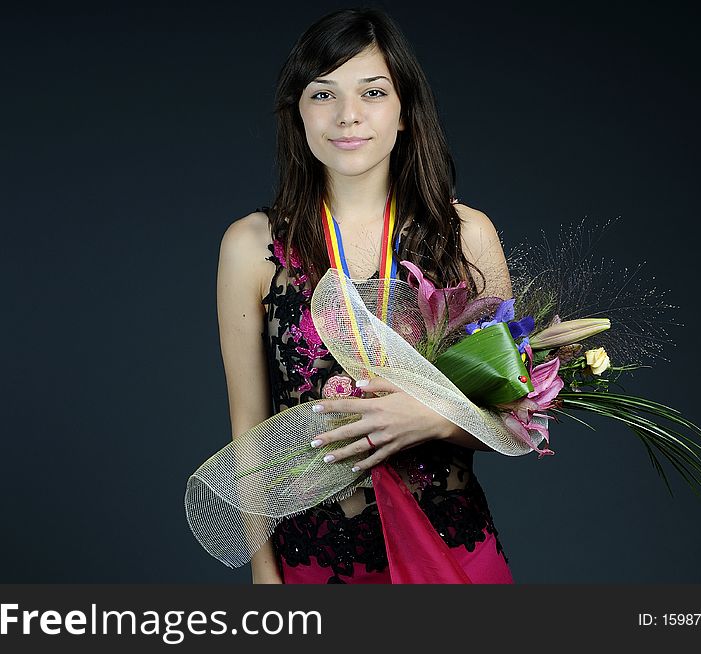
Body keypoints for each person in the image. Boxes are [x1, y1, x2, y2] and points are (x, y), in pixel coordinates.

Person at [216, 7, 515, 584]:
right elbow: (249, 431)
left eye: (372, 92)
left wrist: (429, 418)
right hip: (316, 559)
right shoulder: (250, 246)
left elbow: (512, 416)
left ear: (404, 111)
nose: (348, 116)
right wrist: (262, 573)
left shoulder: (466, 235)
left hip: (451, 549)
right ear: (297, 114)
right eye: (323, 94)